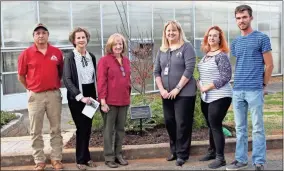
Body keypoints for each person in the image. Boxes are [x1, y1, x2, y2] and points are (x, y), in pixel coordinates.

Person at [226, 5, 274, 171]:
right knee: (240, 128)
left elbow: (269, 65)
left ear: (251, 18)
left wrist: (263, 85)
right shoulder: (235, 42)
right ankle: (241, 160)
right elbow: (239, 64)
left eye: (244, 17)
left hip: (254, 89)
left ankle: (259, 161)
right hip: (238, 89)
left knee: (258, 128)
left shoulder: (262, 38)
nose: (241, 21)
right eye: (238, 18)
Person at [17, 23, 64, 170]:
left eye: (44, 32)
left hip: (53, 95)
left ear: (48, 35)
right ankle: (39, 161)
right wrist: (31, 88)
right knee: (35, 130)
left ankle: (56, 159)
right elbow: (21, 76)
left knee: (55, 129)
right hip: (35, 97)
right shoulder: (26, 53)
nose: (41, 35)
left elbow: (60, 72)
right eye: (38, 33)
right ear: (34, 36)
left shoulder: (57, 52)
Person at [153, 20, 196, 166]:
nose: (171, 33)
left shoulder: (186, 47)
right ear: (165, 33)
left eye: (174, 30)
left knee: (182, 123)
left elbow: (189, 70)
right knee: (170, 122)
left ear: (179, 32)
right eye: (168, 31)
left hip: (184, 93)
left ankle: (183, 154)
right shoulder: (162, 50)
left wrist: (177, 88)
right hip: (166, 94)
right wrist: (162, 90)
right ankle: (174, 150)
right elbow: (156, 71)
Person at [197, 26, 232, 169]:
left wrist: (208, 86)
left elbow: (226, 77)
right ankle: (212, 152)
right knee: (210, 125)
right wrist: (199, 83)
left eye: (215, 36)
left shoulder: (221, 55)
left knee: (215, 124)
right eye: (209, 35)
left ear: (219, 39)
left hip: (221, 95)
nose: (211, 38)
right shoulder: (206, 55)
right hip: (206, 96)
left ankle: (220, 158)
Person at [62, 27, 97, 170]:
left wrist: (95, 95)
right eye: (78, 38)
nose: (81, 40)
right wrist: (80, 97)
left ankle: (87, 157)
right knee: (81, 127)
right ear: (74, 41)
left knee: (87, 128)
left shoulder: (91, 57)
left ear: (87, 39)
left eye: (83, 37)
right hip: (77, 97)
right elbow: (67, 79)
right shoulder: (70, 57)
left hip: (91, 95)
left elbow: (95, 78)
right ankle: (80, 160)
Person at [97, 33, 131, 168]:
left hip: (124, 101)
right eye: (115, 44)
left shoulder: (126, 60)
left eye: (120, 44)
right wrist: (103, 101)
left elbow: (127, 80)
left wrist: (128, 95)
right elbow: (101, 82)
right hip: (109, 102)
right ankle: (109, 157)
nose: (118, 46)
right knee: (108, 130)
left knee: (120, 129)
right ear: (110, 46)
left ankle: (118, 154)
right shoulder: (104, 61)